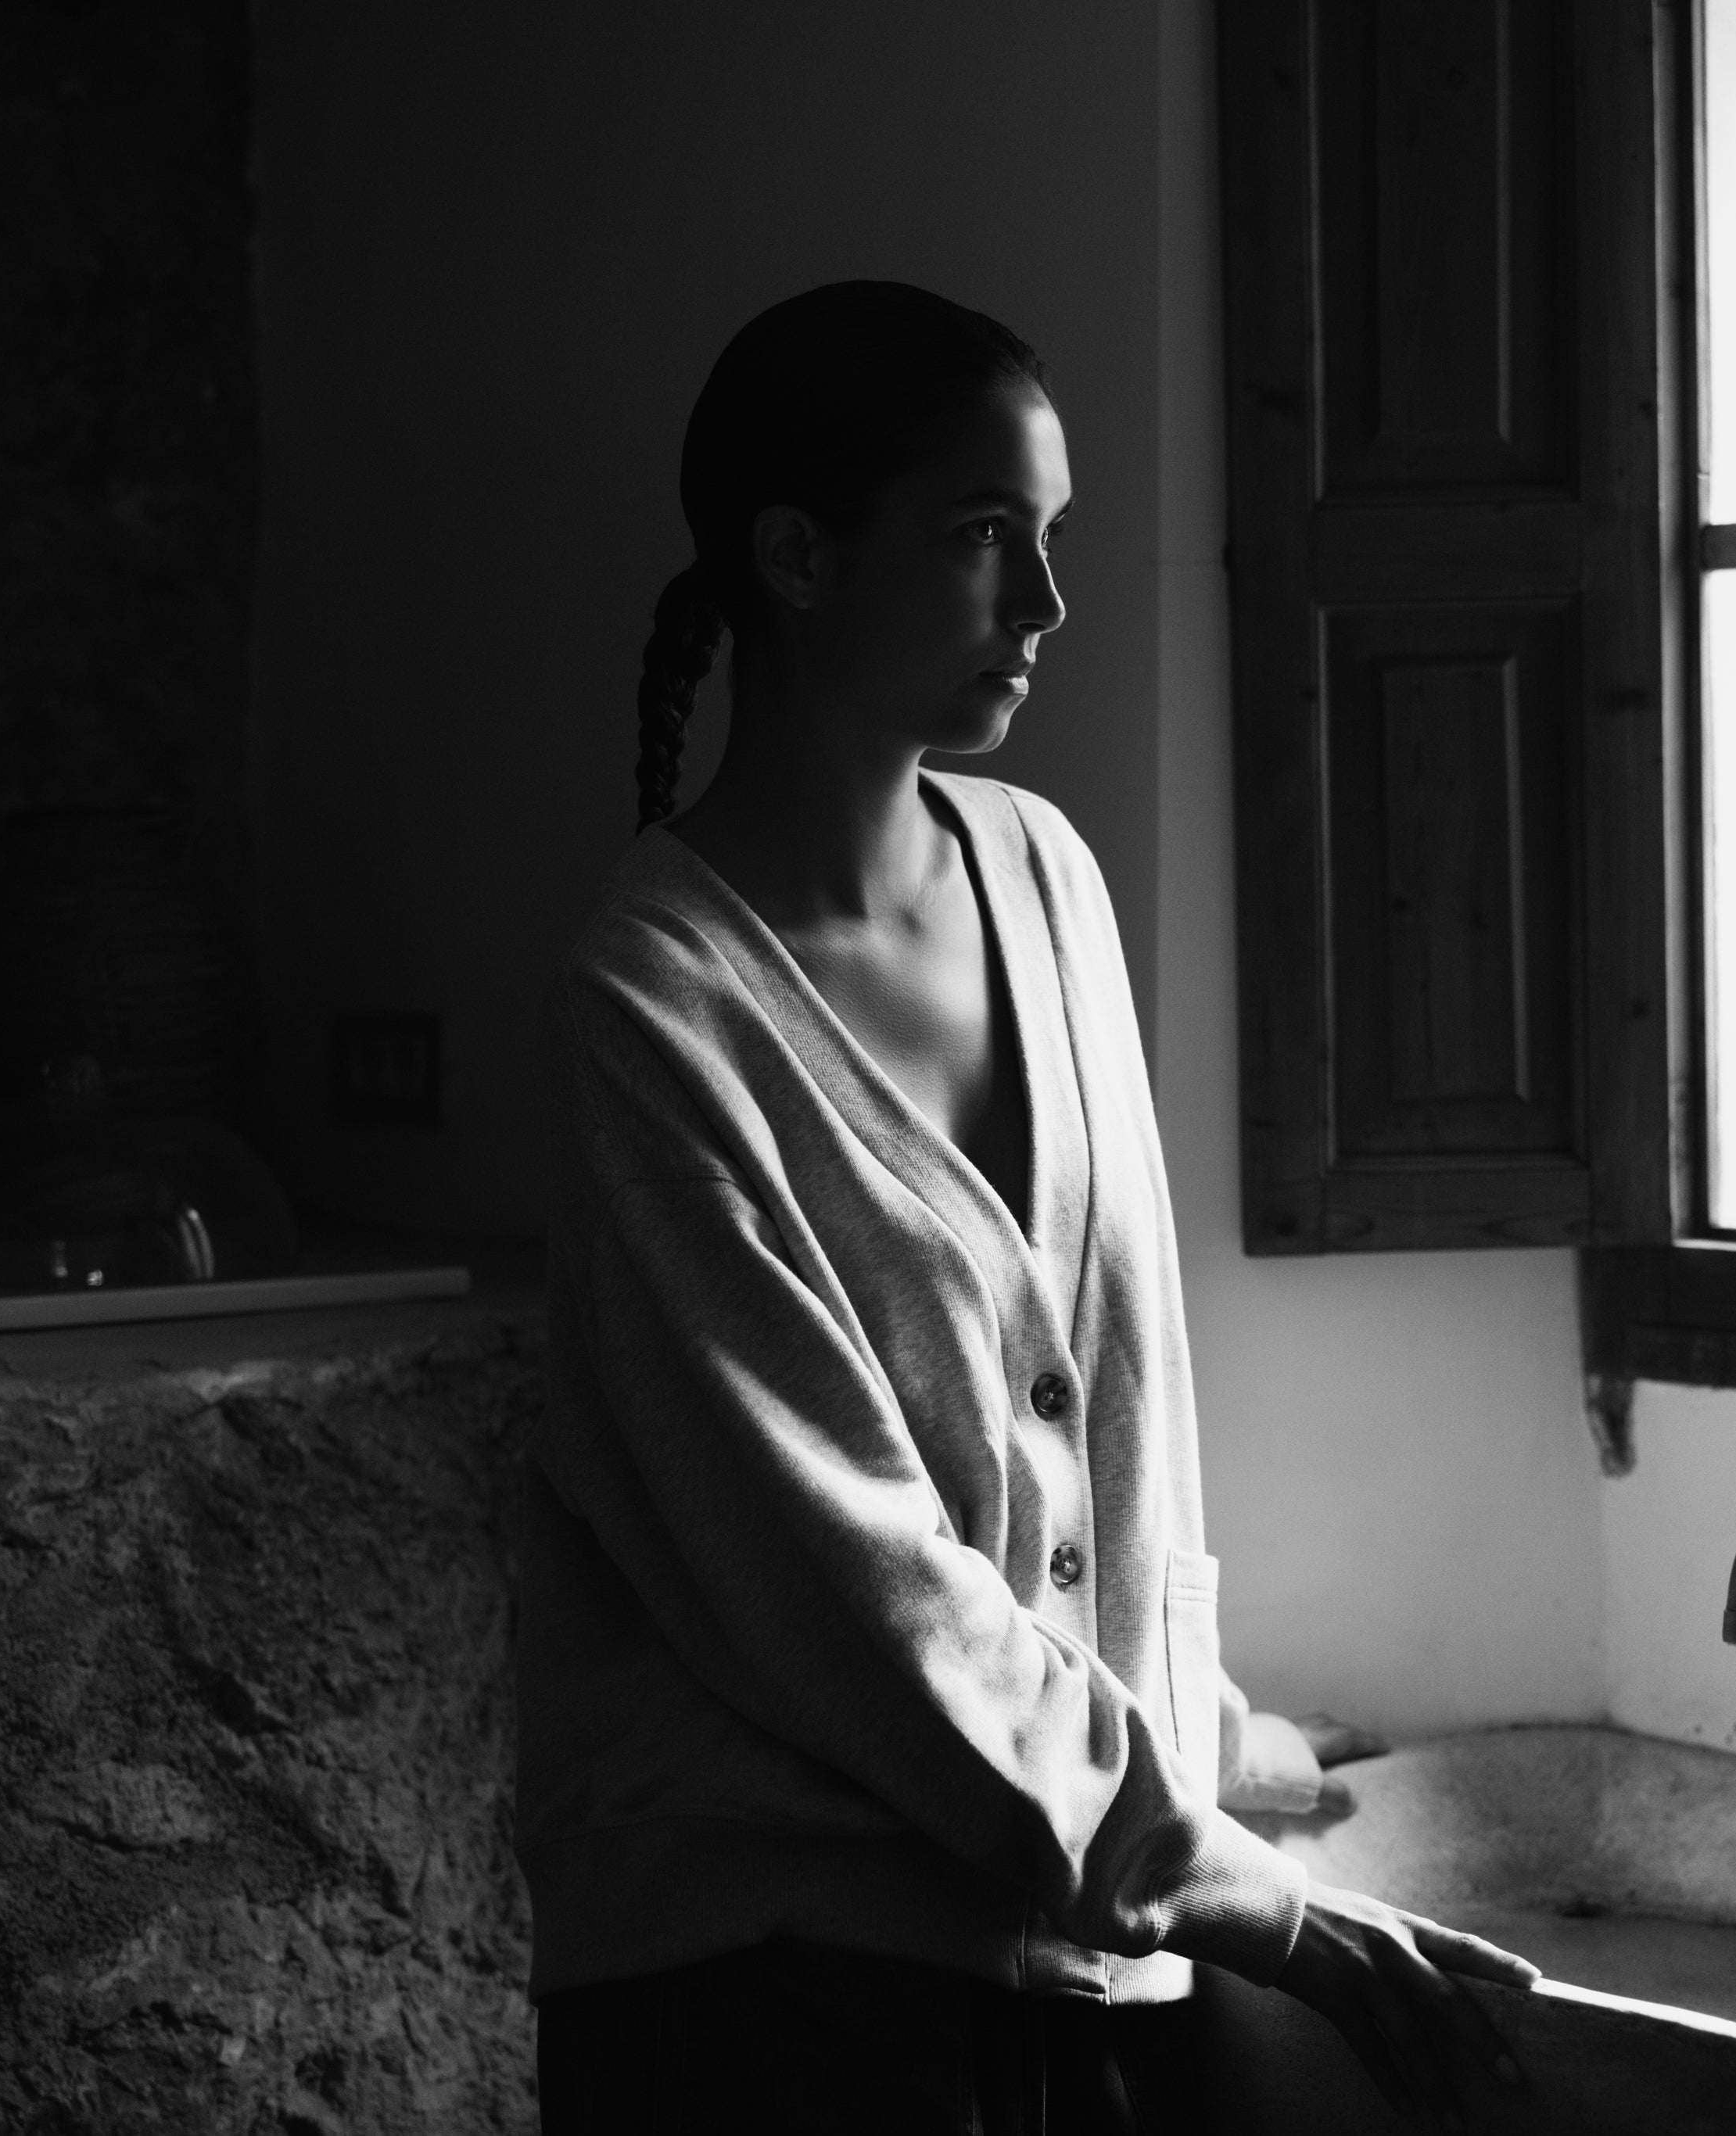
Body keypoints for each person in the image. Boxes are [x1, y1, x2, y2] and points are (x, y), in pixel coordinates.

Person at [518, 280, 1537, 2132]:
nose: (1049, 603)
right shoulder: (652, 1017)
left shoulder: (1049, 882)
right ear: (797, 557)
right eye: (987, 535)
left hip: (1096, 1959)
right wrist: (1252, 1898)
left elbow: (1116, 1439)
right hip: (779, 2011)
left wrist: (1212, 1740)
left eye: (1051, 534)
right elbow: (848, 1600)